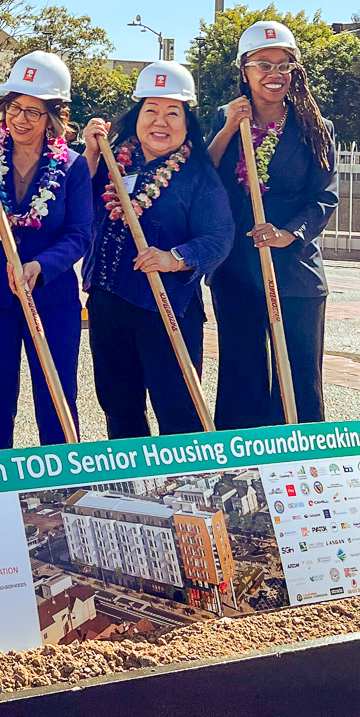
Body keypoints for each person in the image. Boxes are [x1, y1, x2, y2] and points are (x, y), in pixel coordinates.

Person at [0, 51, 92, 450]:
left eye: (33, 112)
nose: (20, 120)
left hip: (52, 299)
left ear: (53, 118)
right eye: (14, 108)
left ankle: (61, 491)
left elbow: (80, 235)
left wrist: (40, 266)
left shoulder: (73, 167)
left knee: (56, 402)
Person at [82, 63, 233, 437]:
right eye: (151, 110)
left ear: (187, 121)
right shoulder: (111, 160)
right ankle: (131, 487)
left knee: (179, 410)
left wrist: (174, 258)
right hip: (108, 301)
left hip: (168, 307)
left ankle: (183, 489)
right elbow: (78, 206)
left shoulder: (198, 172)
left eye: (172, 112)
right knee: (118, 406)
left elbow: (219, 236)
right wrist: (88, 153)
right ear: (137, 116)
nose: (159, 121)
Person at [208, 20, 338, 428]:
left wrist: (289, 234)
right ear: (244, 69)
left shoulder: (316, 127)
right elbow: (203, 178)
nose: (275, 74)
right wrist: (229, 127)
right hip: (236, 271)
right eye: (263, 64)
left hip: (295, 271)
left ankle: (304, 475)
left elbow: (325, 196)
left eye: (284, 65)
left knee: (298, 381)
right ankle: (241, 472)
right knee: (241, 379)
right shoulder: (223, 120)